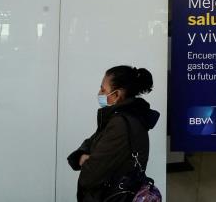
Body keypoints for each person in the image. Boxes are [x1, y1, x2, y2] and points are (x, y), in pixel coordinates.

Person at [68, 65, 160, 202]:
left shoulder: (120, 124)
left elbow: (91, 175)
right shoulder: (124, 117)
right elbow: (92, 142)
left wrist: (86, 161)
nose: (99, 93)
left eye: (103, 89)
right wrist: (81, 155)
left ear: (116, 95)